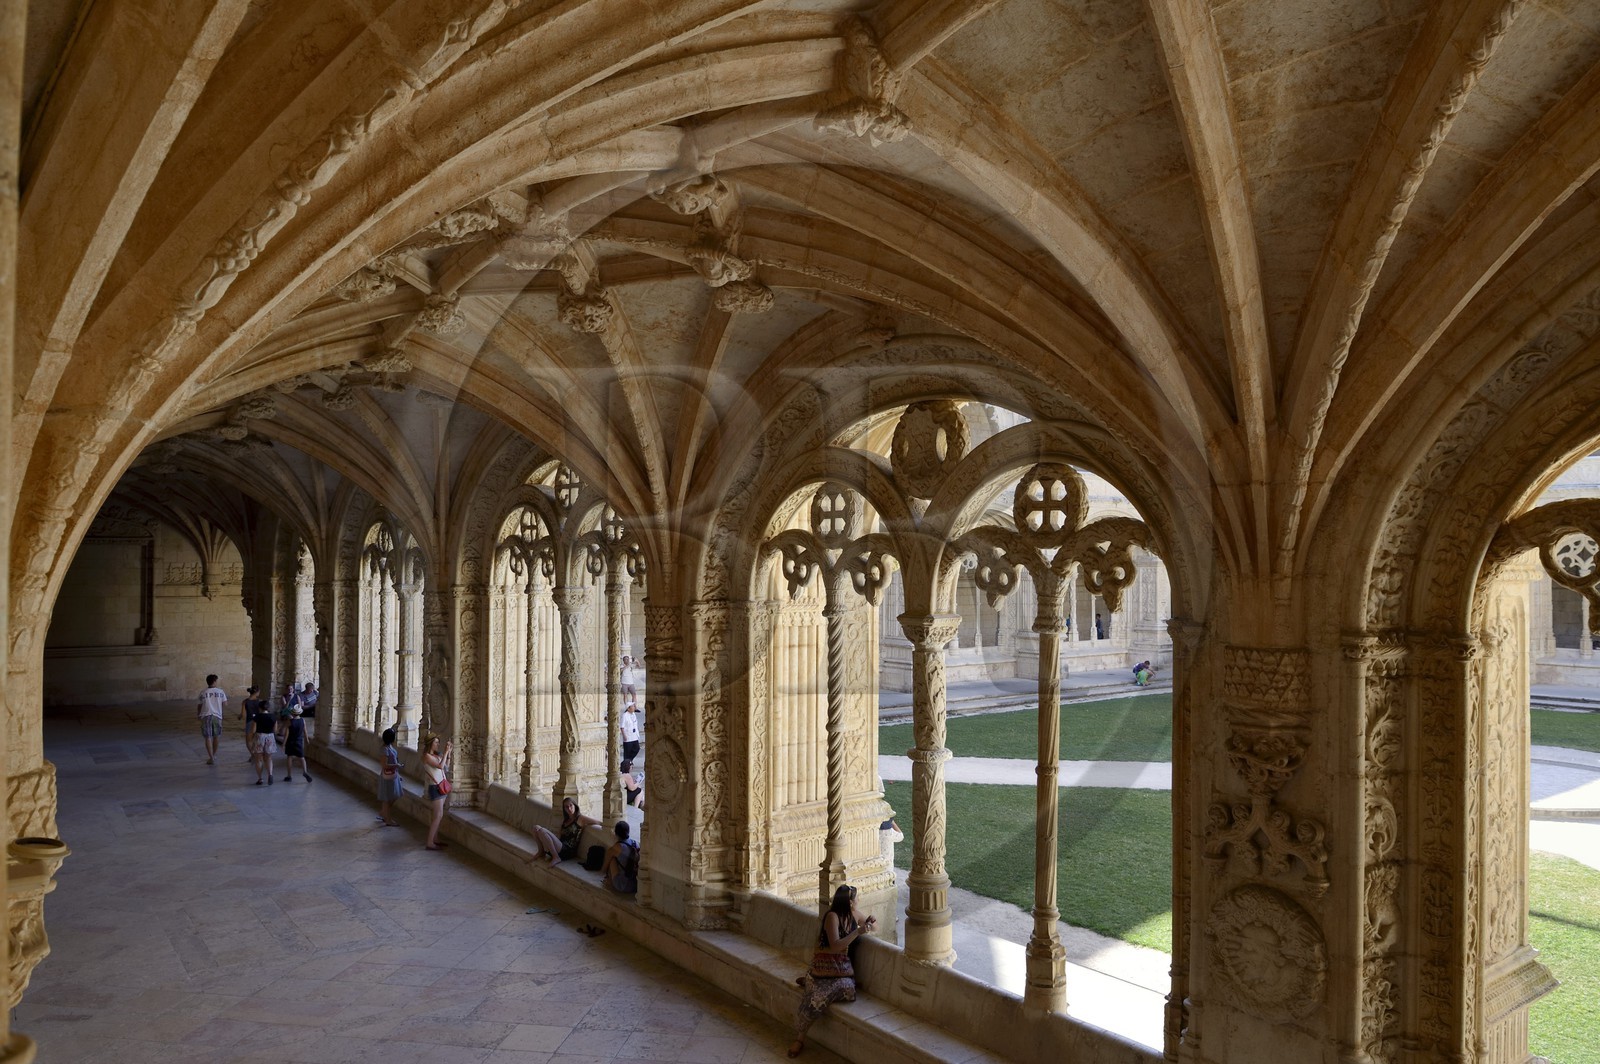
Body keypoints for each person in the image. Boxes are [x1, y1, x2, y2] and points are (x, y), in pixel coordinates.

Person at [789, 884, 875, 1057]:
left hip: (842, 969)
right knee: (816, 998)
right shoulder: (832, 917)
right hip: (826, 965)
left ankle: (809, 981)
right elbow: (835, 946)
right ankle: (799, 1038)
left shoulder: (854, 915)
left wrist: (871, 922)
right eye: (856, 898)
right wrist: (857, 932)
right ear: (850, 902)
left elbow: (874, 928)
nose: (859, 900)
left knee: (849, 991)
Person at [531, 797, 599, 866]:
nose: (569, 808)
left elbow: (598, 822)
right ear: (564, 809)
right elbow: (560, 836)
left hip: (568, 851)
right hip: (560, 847)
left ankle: (556, 857)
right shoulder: (566, 820)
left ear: (575, 806)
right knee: (535, 828)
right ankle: (541, 851)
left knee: (542, 830)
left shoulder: (580, 818)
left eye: (571, 805)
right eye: (566, 807)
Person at [420, 734, 452, 850]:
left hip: (441, 786)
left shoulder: (436, 755)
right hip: (435, 787)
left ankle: (435, 839)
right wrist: (446, 752)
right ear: (430, 743)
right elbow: (440, 766)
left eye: (438, 742)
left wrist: (449, 754)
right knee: (438, 815)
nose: (438, 744)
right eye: (436, 742)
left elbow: (446, 767)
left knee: (439, 815)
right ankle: (430, 842)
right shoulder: (426, 756)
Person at [600, 820, 640, 893]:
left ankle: (609, 882)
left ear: (616, 833)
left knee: (612, 858)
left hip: (623, 885)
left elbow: (604, 869)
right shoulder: (636, 844)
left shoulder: (616, 847)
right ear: (628, 831)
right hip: (636, 885)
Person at [195, 674, 227, 765]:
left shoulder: (203, 692)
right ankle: (214, 754)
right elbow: (225, 704)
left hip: (206, 715)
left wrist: (198, 714)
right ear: (214, 681)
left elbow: (199, 705)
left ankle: (211, 757)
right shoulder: (220, 691)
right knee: (216, 736)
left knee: (208, 737)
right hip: (217, 716)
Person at [247, 695, 278, 785]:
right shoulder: (273, 717)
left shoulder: (257, 717)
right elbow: (275, 730)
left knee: (258, 759)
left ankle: (260, 779)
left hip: (259, 737)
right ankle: (270, 774)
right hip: (270, 737)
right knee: (269, 758)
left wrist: (250, 738)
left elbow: (253, 730)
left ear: (260, 708)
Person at [376, 727, 402, 826]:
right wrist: (396, 765)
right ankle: (388, 819)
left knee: (394, 796)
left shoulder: (389, 747)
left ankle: (384, 813)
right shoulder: (384, 749)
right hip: (388, 777)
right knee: (387, 798)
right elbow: (384, 765)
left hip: (393, 775)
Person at [280, 705, 312, 782]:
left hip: (290, 741)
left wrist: (283, 744)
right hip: (299, 741)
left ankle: (289, 775)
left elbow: (286, 734)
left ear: (292, 713)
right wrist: (307, 740)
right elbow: (305, 731)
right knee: (302, 757)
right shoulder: (302, 721)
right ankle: (305, 771)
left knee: (289, 757)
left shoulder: (290, 722)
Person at [240, 685, 266, 762]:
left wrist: (240, 716)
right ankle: (257, 755)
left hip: (250, 721)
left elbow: (243, 715)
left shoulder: (245, 702)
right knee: (257, 740)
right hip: (259, 721)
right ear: (257, 692)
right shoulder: (260, 701)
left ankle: (253, 755)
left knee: (248, 741)